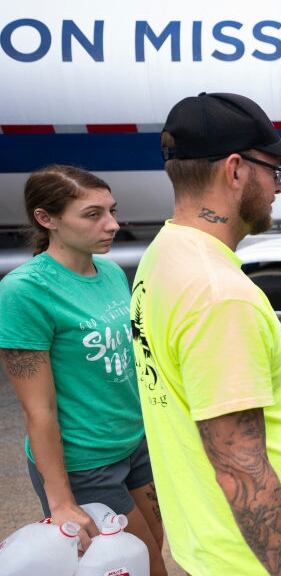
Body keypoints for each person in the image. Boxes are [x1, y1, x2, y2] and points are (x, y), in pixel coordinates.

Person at [130, 92, 281, 575]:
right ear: (236, 170)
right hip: (255, 561)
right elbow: (241, 466)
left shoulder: (162, 254)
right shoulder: (219, 295)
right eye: (275, 170)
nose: (279, 187)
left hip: (208, 544)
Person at [0, 165, 167, 576]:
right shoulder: (24, 292)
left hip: (134, 445)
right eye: (93, 215)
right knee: (145, 569)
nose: (111, 224)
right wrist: (60, 503)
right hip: (84, 463)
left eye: (111, 210)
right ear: (46, 219)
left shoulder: (109, 271)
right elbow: (38, 411)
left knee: (154, 555)